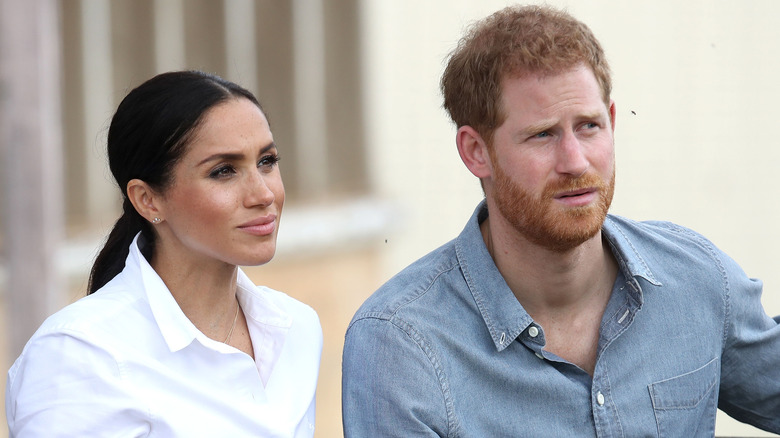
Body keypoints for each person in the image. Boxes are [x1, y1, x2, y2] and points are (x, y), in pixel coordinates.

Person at [342, 5, 780, 437]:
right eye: (543, 134)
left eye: (588, 126)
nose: (575, 161)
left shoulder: (698, 280)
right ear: (476, 152)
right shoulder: (401, 346)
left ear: (612, 121)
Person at [6, 71, 322, 437]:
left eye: (266, 161)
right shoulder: (80, 355)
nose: (263, 194)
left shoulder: (296, 328)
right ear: (147, 198)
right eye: (224, 171)